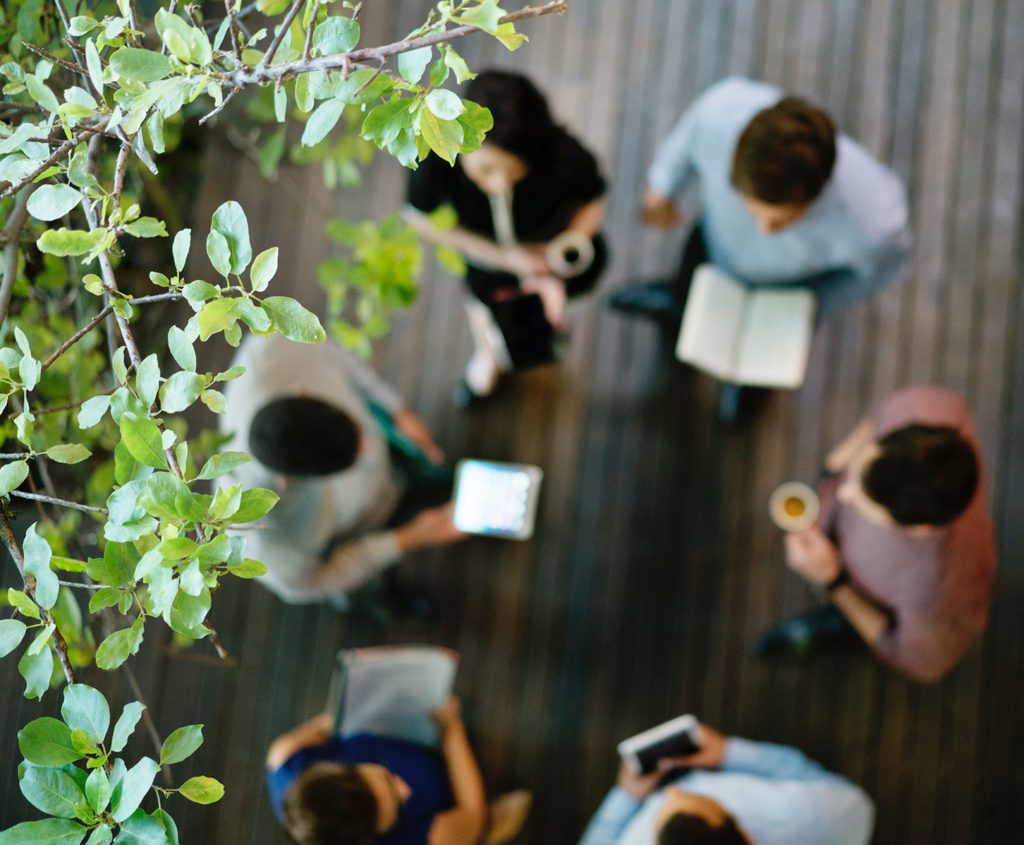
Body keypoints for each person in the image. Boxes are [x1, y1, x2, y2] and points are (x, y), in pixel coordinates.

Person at [609, 78, 911, 420]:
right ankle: (674, 311)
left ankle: (747, 391)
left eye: (781, 222)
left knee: (759, 364)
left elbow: (871, 276)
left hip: (784, 293)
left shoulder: (877, 223)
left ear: (820, 188)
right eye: (752, 210)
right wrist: (662, 188)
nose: (764, 233)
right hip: (711, 246)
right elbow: (684, 144)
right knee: (687, 296)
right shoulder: (719, 115)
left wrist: (807, 306)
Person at [755, 386, 997, 683]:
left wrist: (834, 581)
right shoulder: (928, 407)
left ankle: (835, 625)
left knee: (850, 626)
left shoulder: (941, 592)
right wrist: (833, 468)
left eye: (863, 498)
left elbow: (922, 664)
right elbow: (875, 422)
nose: (843, 492)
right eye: (859, 467)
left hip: (857, 591)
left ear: (919, 530)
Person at [404, 70, 608, 407]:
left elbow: (594, 197)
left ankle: (538, 325)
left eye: (513, 171)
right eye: (486, 170)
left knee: (544, 309)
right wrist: (504, 259)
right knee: (485, 307)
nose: (500, 185)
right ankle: (490, 355)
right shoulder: (437, 157)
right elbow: (417, 217)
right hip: (486, 257)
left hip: (553, 254)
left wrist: (558, 256)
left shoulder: (562, 154)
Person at [219, 332, 466, 607]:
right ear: (287, 481)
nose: (368, 449)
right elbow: (311, 582)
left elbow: (337, 357)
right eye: (354, 456)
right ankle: (377, 597)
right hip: (355, 532)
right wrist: (410, 538)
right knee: (357, 584)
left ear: (302, 392)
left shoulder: (274, 346)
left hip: (378, 487)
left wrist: (398, 412)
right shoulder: (261, 539)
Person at [266, 699, 531, 845]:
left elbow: (331, 720)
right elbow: (471, 813)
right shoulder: (420, 840)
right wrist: (452, 732)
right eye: (395, 802)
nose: (405, 789)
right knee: (475, 829)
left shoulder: (288, 757)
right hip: (446, 804)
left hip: (406, 741)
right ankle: (493, 829)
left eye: (385, 779)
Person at [578, 723, 873, 845]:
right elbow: (810, 778)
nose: (672, 789)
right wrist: (726, 752)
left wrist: (627, 796)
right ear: (746, 834)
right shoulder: (821, 818)